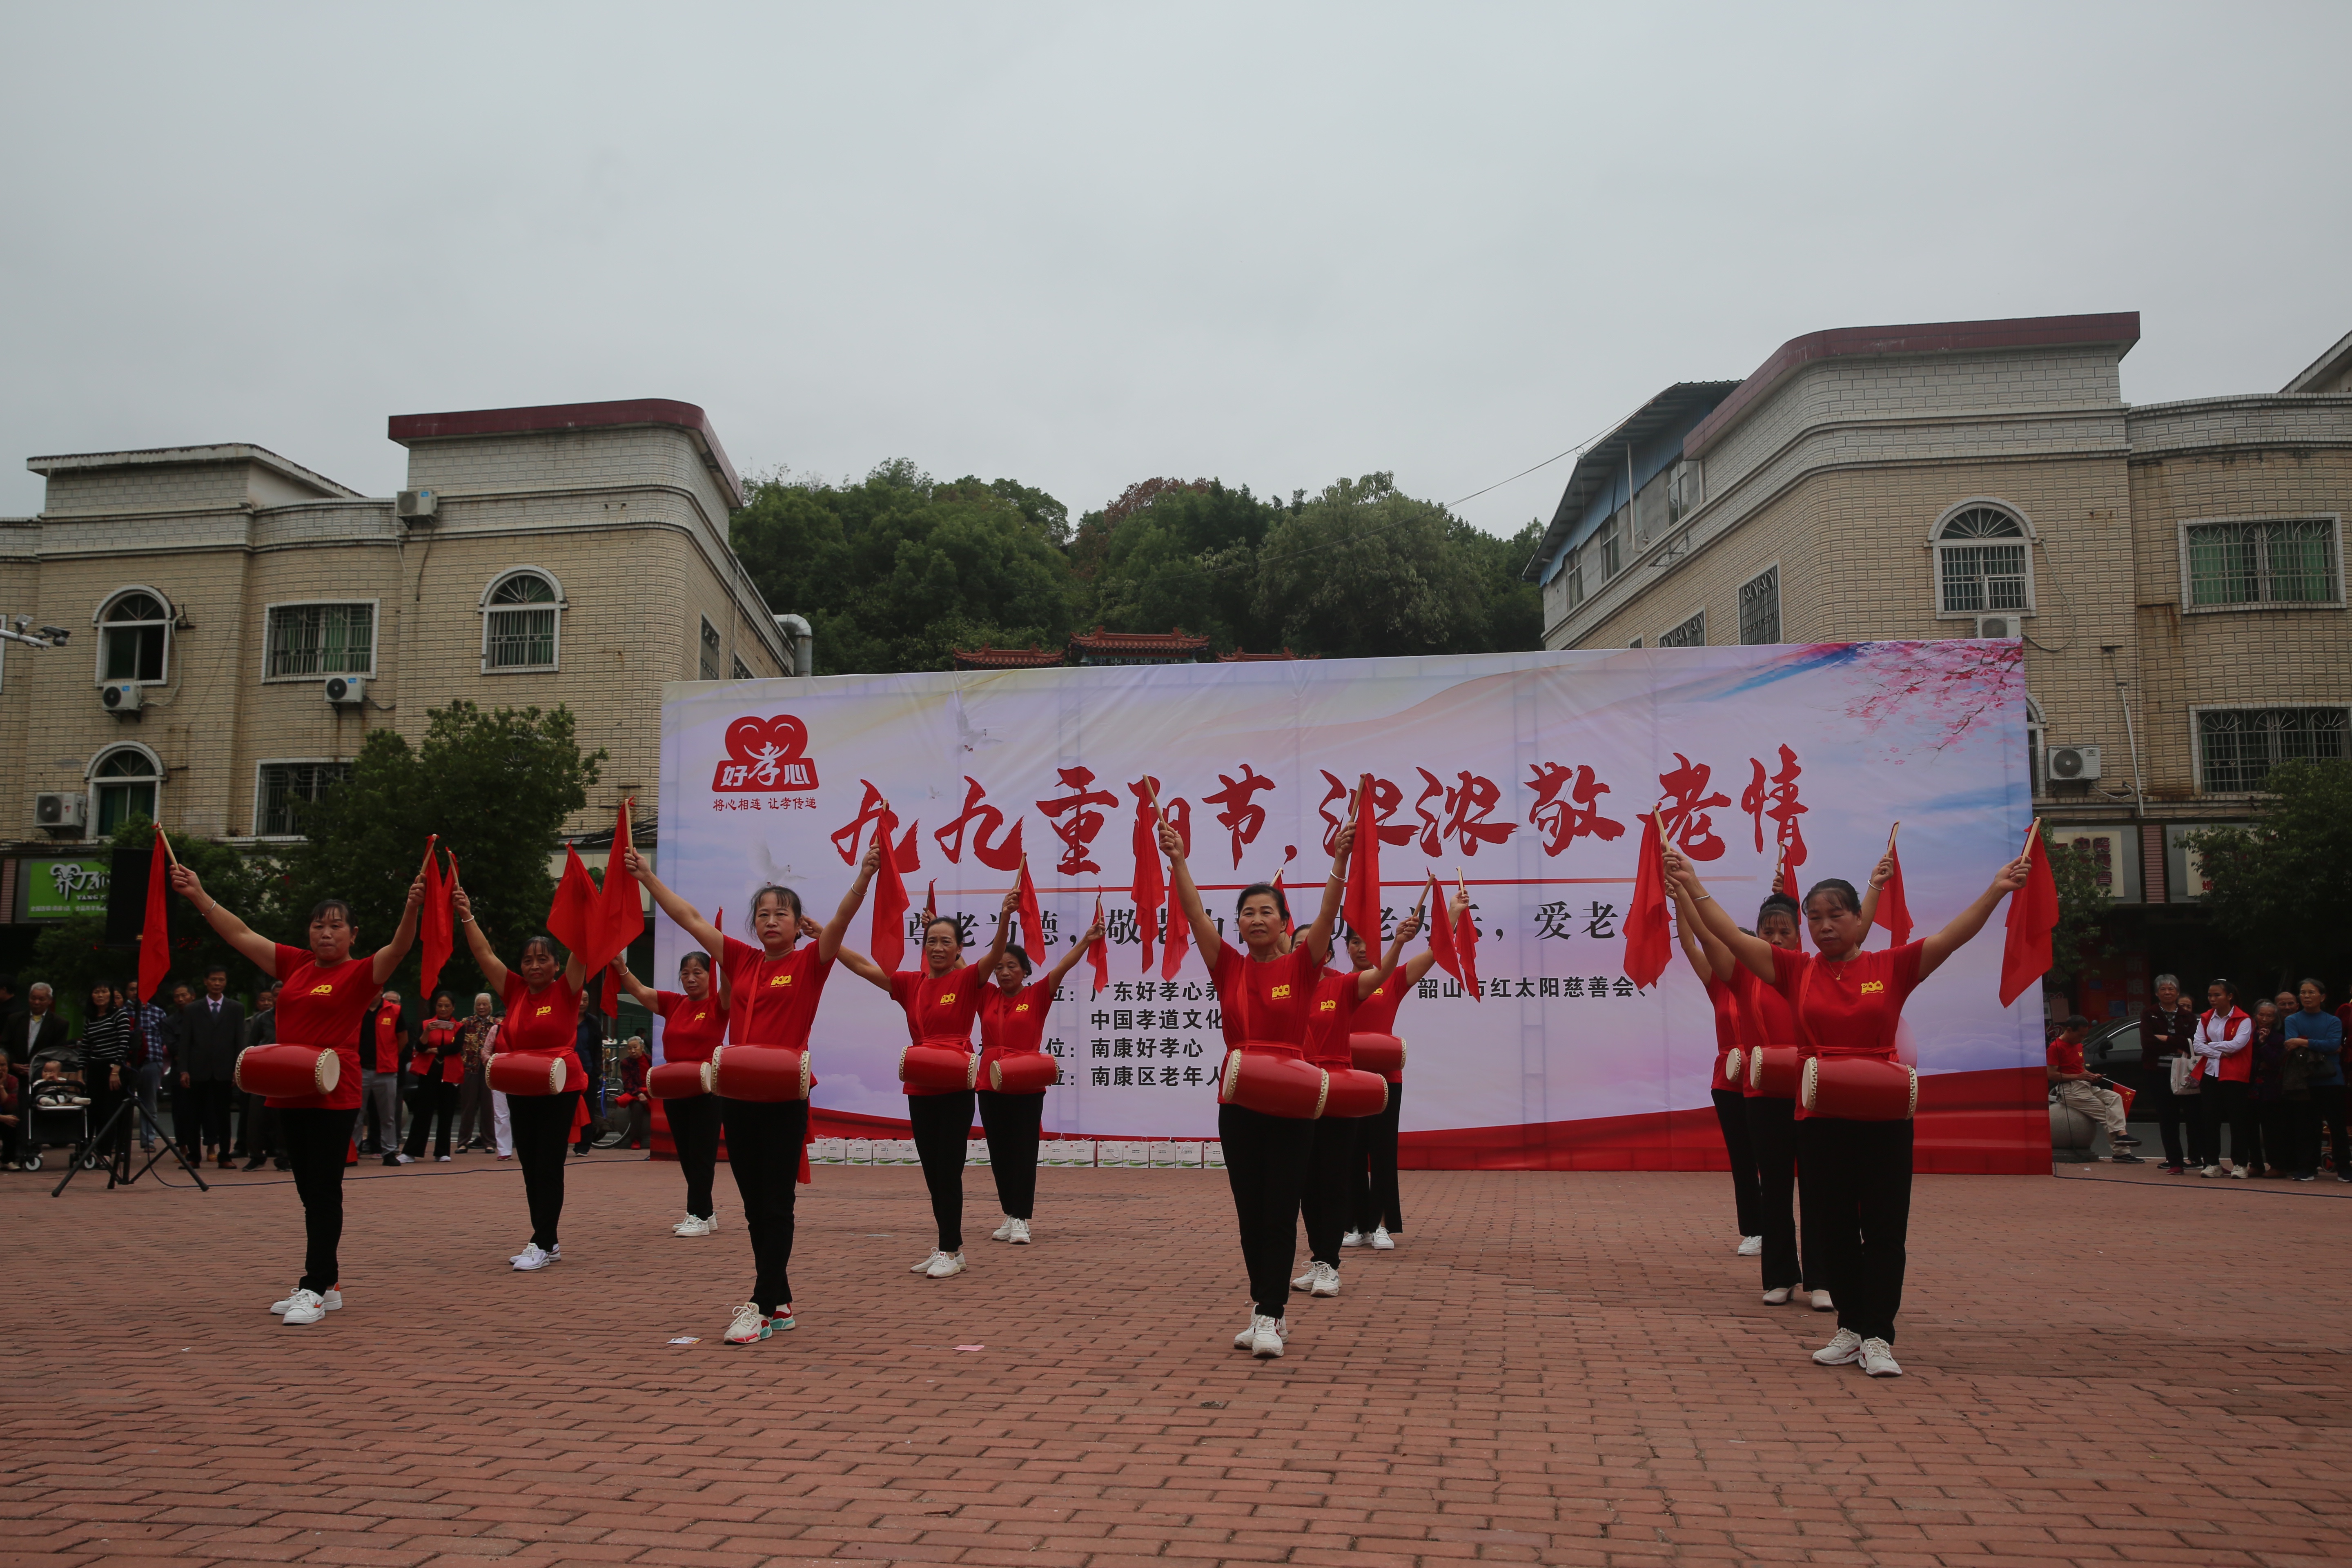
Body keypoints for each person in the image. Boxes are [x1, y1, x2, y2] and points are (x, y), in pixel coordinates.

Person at [1668, 838, 2034, 1378]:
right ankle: (1849, 1326)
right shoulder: (1795, 972)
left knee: (1885, 1229)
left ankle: (1879, 1337)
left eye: (1835, 914)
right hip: (1820, 1117)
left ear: (1859, 919)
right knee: (1833, 1224)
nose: (1824, 925)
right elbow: (1724, 932)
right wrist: (1693, 883)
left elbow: (1956, 936)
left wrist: (1997, 890)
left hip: (1884, 1118)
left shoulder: (1895, 965)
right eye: (1814, 917)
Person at [624, 840, 879, 1346]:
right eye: (762, 914)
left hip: (785, 1095)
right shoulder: (740, 960)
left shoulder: (812, 962)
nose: (770, 921)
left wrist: (865, 875)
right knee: (751, 1203)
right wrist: (647, 879)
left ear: (798, 922)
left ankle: (761, 1306)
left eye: (781, 914)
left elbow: (844, 921)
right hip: (738, 1094)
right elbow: (691, 918)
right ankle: (780, 1298)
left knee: (776, 1203)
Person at [170, 859, 427, 1325]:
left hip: (334, 1088)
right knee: (308, 1190)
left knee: (325, 1190)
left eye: (336, 926)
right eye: (317, 925)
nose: (325, 933)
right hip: (289, 1084)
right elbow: (241, 935)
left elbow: (400, 947)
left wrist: (412, 909)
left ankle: (315, 1284)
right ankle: (326, 1285)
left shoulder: (362, 972)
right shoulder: (296, 963)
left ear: (352, 934)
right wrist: (198, 895)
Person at [1161, 812, 1358, 1361]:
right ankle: (1263, 1306)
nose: (1254, 919)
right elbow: (1195, 912)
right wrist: (1178, 860)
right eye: (1246, 912)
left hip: (1293, 1099)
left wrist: (1340, 859)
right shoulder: (1228, 967)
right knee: (1251, 1213)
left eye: (1265, 912)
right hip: (1240, 1100)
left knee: (1280, 1206)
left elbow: (1328, 912)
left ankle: (1270, 1315)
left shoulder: (1303, 966)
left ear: (1282, 921)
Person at [838, 892, 1018, 1279]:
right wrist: (827, 937)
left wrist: (1004, 918)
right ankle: (947, 1246)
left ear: (959, 949)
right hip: (920, 1085)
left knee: (948, 1170)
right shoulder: (911, 984)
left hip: (955, 1084)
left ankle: (950, 1250)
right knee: (932, 1172)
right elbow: (863, 968)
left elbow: (996, 952)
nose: (938, 948)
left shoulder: (968, 979)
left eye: (946, 942)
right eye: (931, 941)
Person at [452, 885, 590, 1272]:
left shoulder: (566, 990)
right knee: (530, 1164)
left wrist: (583, 914)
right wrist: (466, 913)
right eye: (528, 960)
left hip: (560, 1085)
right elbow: (484, 954)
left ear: (556, 965)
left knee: (549, 1163)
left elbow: (584, 951)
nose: (534, 966)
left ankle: (543, 1240)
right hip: (520, 1084)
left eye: (542, 959)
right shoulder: (513, 990)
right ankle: (547, 1239)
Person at [1291, 914, 1412, 1299]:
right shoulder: (1281, 990)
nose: (1304, 953)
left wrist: (1395, 945)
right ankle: (1317, 1259)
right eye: (1298, 946)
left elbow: (1381, 977)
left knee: (1333, 1177)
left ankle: (1329, 1264)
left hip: (1337, 1093)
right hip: (1297, 1095)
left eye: (1313, 946)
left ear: (1327, 953)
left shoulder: (1341, 986)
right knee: (1305, 1184)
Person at [972, 911, 1105, 1246]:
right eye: (999, 967)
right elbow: (959, 966)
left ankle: (1021, 1218)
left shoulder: (1037, 996)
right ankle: (1009, 1213)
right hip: (990, 1082)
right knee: (999, 1151)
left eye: (1012, 967)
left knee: (1023, 1150)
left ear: (1025, 972)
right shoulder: (984, 995)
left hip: (1026, 1081)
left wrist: (1088, 940)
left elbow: (1063, 967)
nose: (1004, 972)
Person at [1343, 894, 1462, 1251]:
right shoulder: (1335, 982)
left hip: (1384, 1078)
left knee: (1381, 1151)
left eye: (1369, 942)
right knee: (1348, 1153)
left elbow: (1435, 954)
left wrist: (1452, 915)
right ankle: (1355, 1225)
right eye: (1355, 941)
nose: (1363, 948)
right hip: (1345, 1079)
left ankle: (1380, 1225)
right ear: (1346, 947)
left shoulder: (1393, 979)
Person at [612, 950, 730, 1232]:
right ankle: (707, 1212)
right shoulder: (674, 1003)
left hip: (707, 1090)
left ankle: (698, 1215)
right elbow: (639, 991)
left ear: (709, 976)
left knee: (702, 1154)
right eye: (685, 974)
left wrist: (723, 955)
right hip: (676, 1089)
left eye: (698, 973)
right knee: (688, 1154)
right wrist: (620, 967)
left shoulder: (718, 1004)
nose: (690, 979)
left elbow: (729, 984)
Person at [2048, 1014, 2142, 1163]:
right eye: (2080, 1035)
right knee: (2107, 1113)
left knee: (2114, 1098)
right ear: (2070, 1030)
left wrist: (2091, 1076)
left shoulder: (2078, 1045)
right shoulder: (2056, 1048)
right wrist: (2078, 1077)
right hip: (2070, 1090)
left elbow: (2080, 1069)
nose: (2082, 1040)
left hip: (2085, 1085)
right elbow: (2052, 1074)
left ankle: (2122, 1136)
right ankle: (2121, 1152)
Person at [179, 966, 245, 1170]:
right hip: (197, 1070)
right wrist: (184, 1070)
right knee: (194, 1115)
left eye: (221, 980)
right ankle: (194, 1157)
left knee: (223, 1115)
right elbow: (185, 1042)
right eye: (214, 980)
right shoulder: (192, 1009)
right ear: (206, 982)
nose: (217, 984)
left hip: (224, 1070)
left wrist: (238, 1069)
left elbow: (239, 1041)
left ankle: (225, 1155)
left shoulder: (236, 1008)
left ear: (226, 982)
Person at [2191, 980, 2254, 1178]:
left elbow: (2238, 1045)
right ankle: (2212, 1163)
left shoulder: (2244, 1019)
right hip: (2210, 1074)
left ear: (2229, 996)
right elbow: (2197, 1045)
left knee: (2238, 1121)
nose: (2213, 999)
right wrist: (2219, 1052)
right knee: (2210, 1121)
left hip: (2234, 1075)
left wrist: (2212, 1046)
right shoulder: (2206, 1018)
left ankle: (2241, 1165)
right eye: (2210, 995)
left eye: (2217, 995)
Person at [2284, 980, 2344, 1182]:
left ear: (2323, 997)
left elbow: (2334, 1044)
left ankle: (2344, 1167)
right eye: (2303, 992)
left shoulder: (2333, 1021)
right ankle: (2308, 1168)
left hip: (2332, 1079)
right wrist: (2316, 1045)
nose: (2307, 996)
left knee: (2337, 1125)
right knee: (2307, 1126)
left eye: (2312, 992)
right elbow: (2292, 1045)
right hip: (2305, 1080)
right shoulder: (2292, 1020)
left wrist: (2303, 1041)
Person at [2140, 975, 2200, 1173]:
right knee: (2168, 1117)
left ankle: (2195, 1157)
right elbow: (2148, 1043)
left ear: (2177, 992)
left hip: (2186, 1072)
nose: (2167, 993)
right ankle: (2175, 1161)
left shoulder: (2188, 1016)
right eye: (2163, 989)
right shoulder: (2149, 1014)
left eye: (2171, 989)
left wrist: (2166, 1039)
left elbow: (2192, 1043)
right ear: (2157, 993)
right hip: (2159, 1072)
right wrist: (2177, 1044)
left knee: (2193, 1116)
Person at [75, 983, 137, 1169]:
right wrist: (80, 1074)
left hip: (114, 1069)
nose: (100, 995)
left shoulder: (120, 1015)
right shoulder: (91, 1019)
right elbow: (85, 1048)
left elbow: (124, 1043)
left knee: (109, 1113)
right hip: (94, 1069)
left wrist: (116, 1070)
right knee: (93, 1112)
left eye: (104, 992)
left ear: (111, 995)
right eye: (96, 992)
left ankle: (106, 1153)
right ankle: (89, 1150)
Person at [401, 994, 465, 1163]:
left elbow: (456, 1048)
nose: (443, 1009)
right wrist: (428, 1032)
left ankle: (442, 1151)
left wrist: (435, 1050)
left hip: (450, 1073)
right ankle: (411, 1152)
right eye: (440, 1006)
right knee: (423, 1111)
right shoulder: (426, 1024)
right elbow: (421, 1047)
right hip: (429, 1072)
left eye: (447, 1006)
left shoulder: (459, 1027)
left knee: (447, 1112)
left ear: (453, 1008)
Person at [238, 980, 286, 1170]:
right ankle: (256, 1156)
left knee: (284, 1118)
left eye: (283, 994)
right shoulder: (262, 1019)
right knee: (256, 1117)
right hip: (264, 1073)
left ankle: (284, 1157)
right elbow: (250, 1046)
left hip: (288, 1073)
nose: (279, 998)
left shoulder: (298, 1017)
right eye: (276, 995)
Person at [360, 990, 406, 1161]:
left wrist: (391, 1056)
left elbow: (403, 1038)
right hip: (360, 1069)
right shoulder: (357, 1009)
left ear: (380, 991)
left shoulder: (394, 1011)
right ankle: (351, 1151)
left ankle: (389, 1151)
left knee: (388, 1115)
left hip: (386, 1070)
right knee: (357, 1114)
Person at [454, 993, 499, 1154]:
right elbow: (457, 1043)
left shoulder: (497, 1024)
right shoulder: (466, 1023)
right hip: (469, 1068)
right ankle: (463, 1142)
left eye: (485, 1005)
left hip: (490, 1070)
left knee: (489, 1108)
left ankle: (489, 1142)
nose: (481, 1007)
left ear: (490, 1006)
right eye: (479, 1004)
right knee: (468, 1107)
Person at [615, 1037, 652, 1150]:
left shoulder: (651, 1060)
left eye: (635, 1048)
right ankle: (636, 1140)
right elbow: (628, 1083)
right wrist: (639, 1093)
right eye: (630, 1049)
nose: (633, 1051)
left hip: (651, 1091)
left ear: (642, 1047)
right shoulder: (626, 1063)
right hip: (635, 1093)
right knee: (637, 1108)